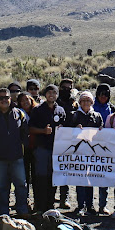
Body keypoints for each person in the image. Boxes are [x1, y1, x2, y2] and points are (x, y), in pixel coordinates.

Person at [0, 87, 30, 217]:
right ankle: (3, 211)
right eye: (1, 98)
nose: (4, 100)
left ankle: (22, 209)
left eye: (6, 97)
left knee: (21, 184)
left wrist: (22, 146)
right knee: (1, 186)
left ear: (11, 99)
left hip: (16, 156)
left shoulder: (19, 114)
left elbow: (25, 133)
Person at [28, 84, 67, 212]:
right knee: (41, 177)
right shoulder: (37, 110)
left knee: (53, 178)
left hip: (57, 150)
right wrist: (43, 131)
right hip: (42, 149)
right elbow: (30, 128)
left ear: (57, 95)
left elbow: (66, 128)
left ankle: (50, 205)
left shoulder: (61, 110)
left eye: (54, 93)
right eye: (49, 92)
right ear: (45, 94)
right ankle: (39, 205)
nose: (51, 95)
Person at [67, 91, 104, 216]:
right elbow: (67, 132)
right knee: (80, 179)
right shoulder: (74, 115)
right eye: (83, 101)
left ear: (92, 102)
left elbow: (102, 131)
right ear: (80, 102)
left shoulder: (97, 116)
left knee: (90, 179)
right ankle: (80, 205)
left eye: (88, 100)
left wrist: (102, 131)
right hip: (78, 153)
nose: (86, 103)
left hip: (92, 154)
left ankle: (90, 206)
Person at [93, 83, 115, 214]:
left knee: (103, 176)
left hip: (106, 147)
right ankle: (88, 205)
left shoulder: (112, 109)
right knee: (88, 176)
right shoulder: (90, 107)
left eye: (106, 94)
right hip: (91, 146)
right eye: (101, 93)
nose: (103, 96)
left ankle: (102, 205)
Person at [56, 78, 78, 209]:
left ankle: (64, 198)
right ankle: (51, 197)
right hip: (55, 140)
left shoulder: (74, 104)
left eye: (69, 88)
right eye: (64, 88)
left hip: (70, 141)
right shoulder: (55, 102)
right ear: (59, 89)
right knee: (53, 170)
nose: (66, 91)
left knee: (66, 170)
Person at [17, 91, 38, 196]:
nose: (25, 102)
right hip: (23, 148)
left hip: (36, 147)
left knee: (36, 176)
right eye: (22, 100)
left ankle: (37, 201)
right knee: (23, 176)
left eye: (27, 99)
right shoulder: (17, 113)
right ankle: (25, 200)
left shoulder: (38, 111)